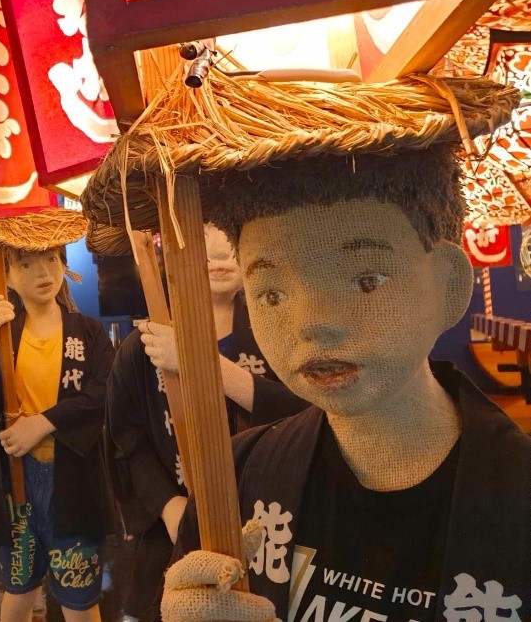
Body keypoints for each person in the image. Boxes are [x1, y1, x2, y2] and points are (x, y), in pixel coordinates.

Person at [80, 74, 531, 620]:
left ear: (449, 285)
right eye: (271, 292)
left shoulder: (515, 494)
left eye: (366, 279)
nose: (312, 324)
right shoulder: (239, 481)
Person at [105, 224, 306, 622]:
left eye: (231, 233)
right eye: (199, 234)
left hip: (271, 527)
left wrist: (205, 365)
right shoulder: (143, 346)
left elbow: (312, 415)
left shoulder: (287, 332)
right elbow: (126, 442)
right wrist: (169, 506)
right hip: (177, 534)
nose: (218, 252)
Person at [0, 211, 114, 622]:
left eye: (51, 259)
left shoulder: (88, 332)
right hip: (17, 481)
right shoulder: (1, 332)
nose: (42, 271)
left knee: (80, 601)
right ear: (6, 276)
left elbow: (103, 394)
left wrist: (41, 423)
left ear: (64, 264)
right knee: (19, 590)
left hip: (73, 480)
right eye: (25, 263)